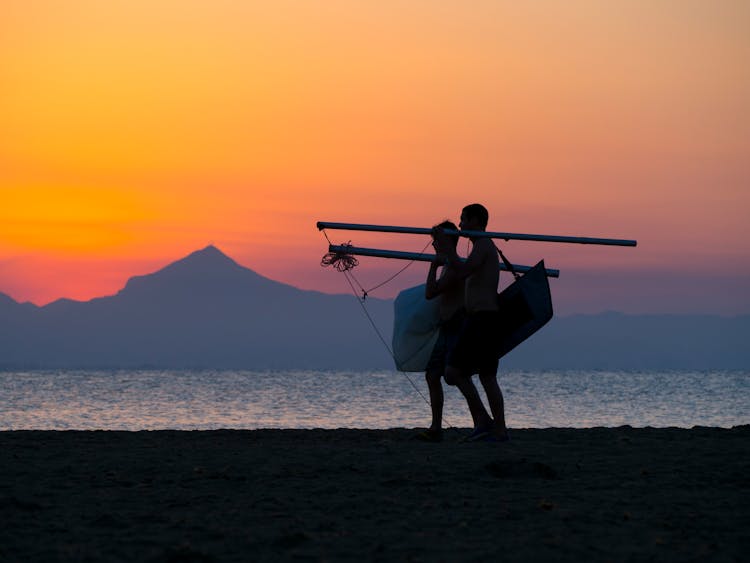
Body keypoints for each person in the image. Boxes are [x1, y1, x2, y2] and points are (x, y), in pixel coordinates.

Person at [432, 203, 509, 442]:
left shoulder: (484, 245)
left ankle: (493, 427)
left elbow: (464, 271)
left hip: (484, 318)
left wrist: (447, 250)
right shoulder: (481, 246)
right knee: (467, 374)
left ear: (476, 220)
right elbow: (463, 269)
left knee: (460, 373)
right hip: (476, 318)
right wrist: (445, 254)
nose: (461, 224)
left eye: (464, 219)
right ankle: (490, 425)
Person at [416, 221, 465, 442]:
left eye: (437, 239)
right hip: (446, 327)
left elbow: (430, 292)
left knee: (456, 375)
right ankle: (436, 427)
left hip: (456, 326)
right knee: (433, 375)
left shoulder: (454, 266)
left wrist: (432, 266)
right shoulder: (448, 264)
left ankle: (482, 421)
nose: (434, 243)